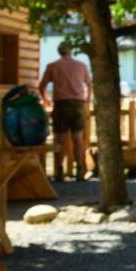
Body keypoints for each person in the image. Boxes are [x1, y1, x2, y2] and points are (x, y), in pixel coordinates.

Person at [37, 41, 92, 182]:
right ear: (71, 51)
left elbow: (42, 85)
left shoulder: (53, 66)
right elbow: (89, 84)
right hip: (77, 104)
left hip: (61, 104)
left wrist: (45, 99)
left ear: (59, 51)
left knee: (60, 138)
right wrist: (87, 99)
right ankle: (80, 169)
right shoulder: (81, 65)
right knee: (77, 138)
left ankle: (59, 171)